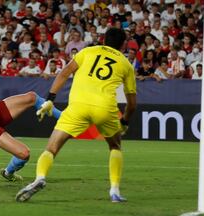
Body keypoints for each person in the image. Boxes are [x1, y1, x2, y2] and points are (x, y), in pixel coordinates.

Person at [16, 28, 137, 203]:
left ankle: (39, 178)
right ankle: (114, 191)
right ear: (123, 44)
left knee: (51, 148)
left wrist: (50, 99)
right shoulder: (125, 64)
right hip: (105, 107)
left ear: (103, 40)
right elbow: (132, 103)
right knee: (115, 146)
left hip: (77, 106)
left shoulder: (87, 51)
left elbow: (64, 73)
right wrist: (124, 121)